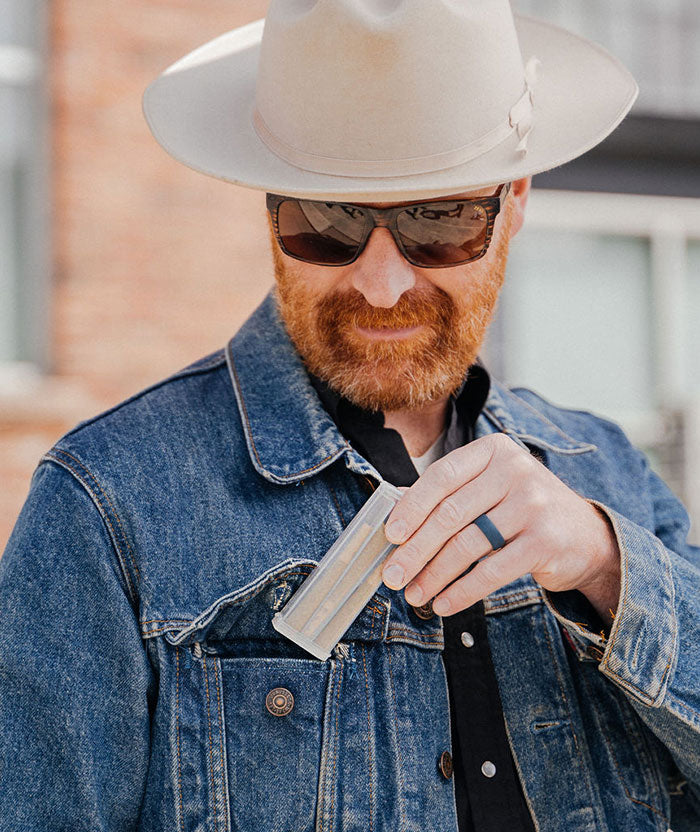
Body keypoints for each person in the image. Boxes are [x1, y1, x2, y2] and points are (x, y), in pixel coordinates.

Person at [1, 1, 699, 830]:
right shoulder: (109, 506)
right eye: (327, 224)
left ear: (513, 201)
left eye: (438, 221)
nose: (382, 284)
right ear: (270, 210)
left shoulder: (611, 474)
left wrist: (607, 568)